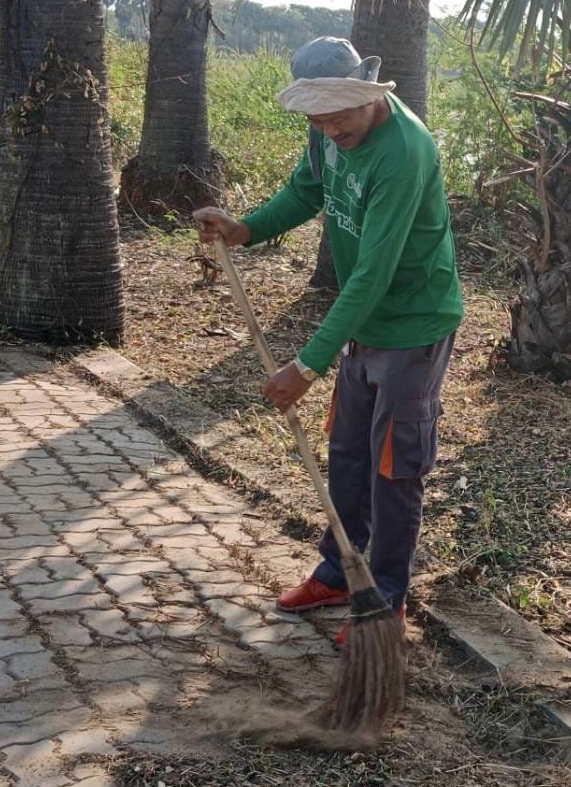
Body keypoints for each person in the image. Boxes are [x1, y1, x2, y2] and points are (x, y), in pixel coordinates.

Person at [193, 37, 462, 637]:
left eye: (340, 118)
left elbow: (372, 274)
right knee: (348, 453)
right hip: (361, 324)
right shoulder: (327, 131)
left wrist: (306, 365)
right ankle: (340, 570)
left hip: (412, 326)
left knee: (393, 467)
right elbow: (305, 190)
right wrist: (245, 229)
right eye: (318, 121)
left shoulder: (405, 151)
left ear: (367, 94)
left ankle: (384, 599)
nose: (331, 132)